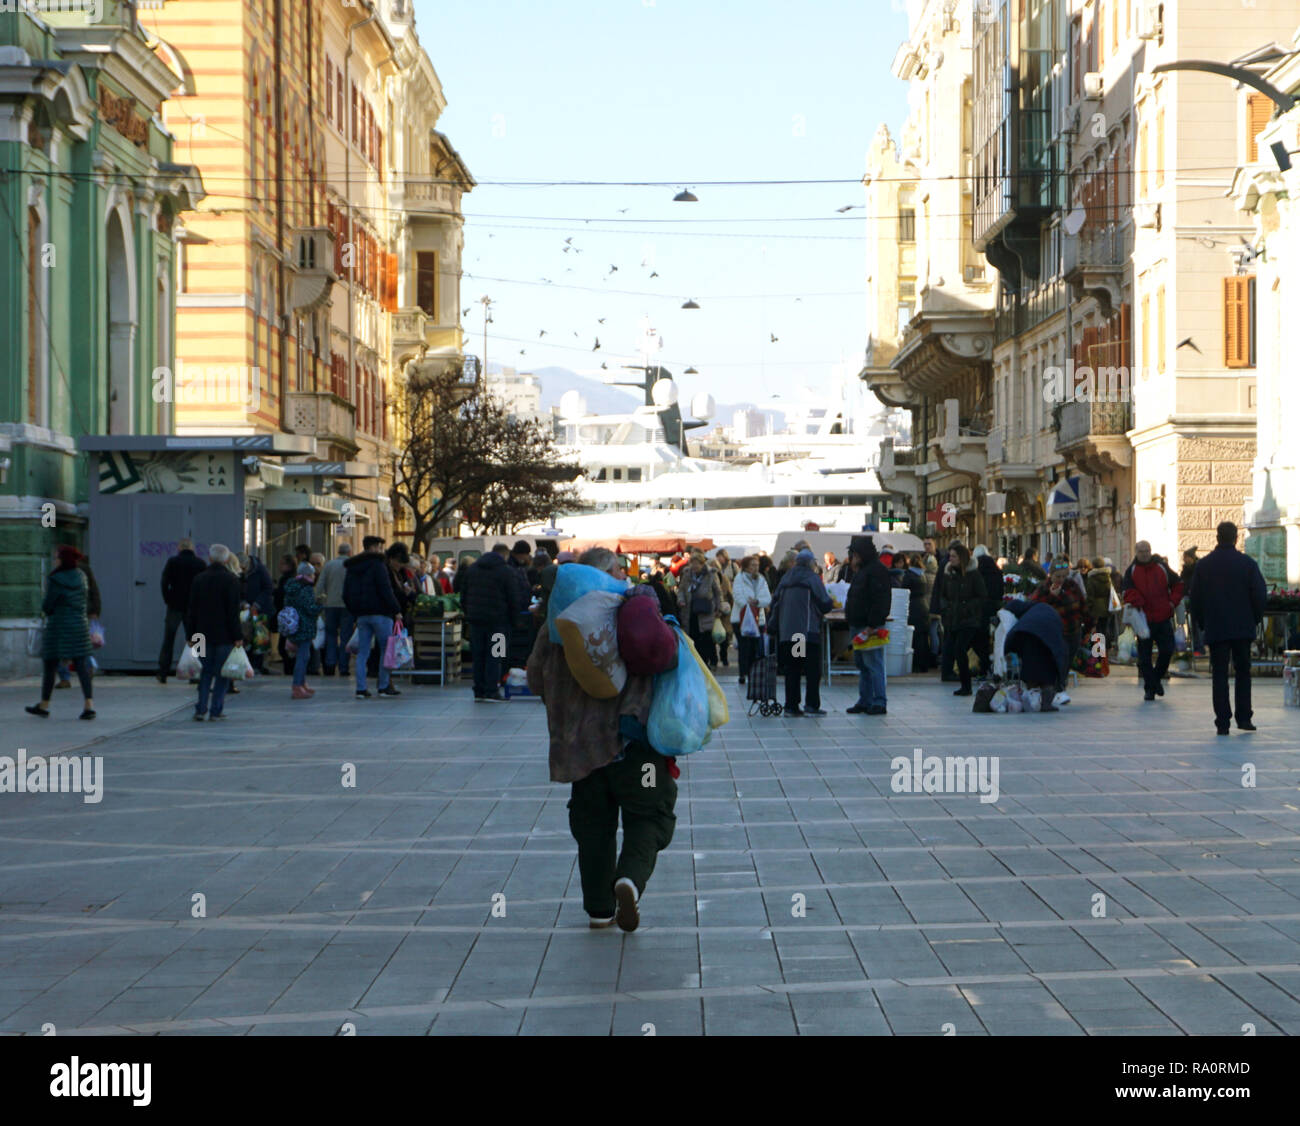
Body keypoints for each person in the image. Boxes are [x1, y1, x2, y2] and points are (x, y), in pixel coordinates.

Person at [527, 548, 672, 932]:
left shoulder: (556, 624)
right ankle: (629, 880)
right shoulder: (633, 609)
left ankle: (599, 910)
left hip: (581, 752)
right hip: (637, 750)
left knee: (593, 827)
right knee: (650, 815)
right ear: (609, 571)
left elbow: (534, 679)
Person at [1189, 522, 1267, 735]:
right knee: (1243, 672)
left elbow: (1195, 599)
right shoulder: (1247, 564)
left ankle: (1222, 722)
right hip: (1242, 627)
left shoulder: (1204, 565)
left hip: (1216, 627)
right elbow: (1260, 595)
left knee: (1220, 675)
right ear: (1235, 538)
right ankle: (1244, 718)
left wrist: (1203, 622)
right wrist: (1254, 619)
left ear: (1217, 537)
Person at [26, 545, 96, 720]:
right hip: (79, 626)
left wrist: (49, 609)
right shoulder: (81, 577)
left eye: (56, 557)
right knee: (81, 667)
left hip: (58, 627)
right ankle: (89, 706)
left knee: (50, 666)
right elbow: (84, 601)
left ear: (62, 560)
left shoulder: (56, 579)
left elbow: (48, 606)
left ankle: (44, 705)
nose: (54, 560)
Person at [183, 543, 244, 722]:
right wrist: (238, 636)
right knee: (222, 673)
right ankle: (216, 710)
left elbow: (191, 610)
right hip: (224, 635)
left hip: (201, 635)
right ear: (226, 559)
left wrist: (190, 635)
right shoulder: (232, 581)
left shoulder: (199, 579)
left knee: (205, 672)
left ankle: (200, 709)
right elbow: (233, 612)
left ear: (209, 558)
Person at [769, 549, 832, 717]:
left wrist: (773, 625)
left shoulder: (786, 578)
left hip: (788, 632)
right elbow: (825, 603)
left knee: (793, 669)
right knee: (812, 670)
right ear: (811, 563)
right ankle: (811, 704)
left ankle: (791, 705)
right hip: (807, 631)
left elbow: (775, 603)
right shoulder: (812, 578)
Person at [1122, 541, 1184, 702]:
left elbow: (1178, 584)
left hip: (1163, 617)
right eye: (1141, 551)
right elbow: (1126, 591)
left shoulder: (1161, 567)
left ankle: (1155, 681)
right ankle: (1150, 689)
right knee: (1144, 657)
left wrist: (1172, 602)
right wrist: (1137, 601)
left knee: (1167, 650)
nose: (1144, 554)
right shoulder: (1131, 571)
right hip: (1143, 620)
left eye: (1147, 550)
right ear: (1136, 552)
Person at [343, 535, 403, 699]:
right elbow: (386, 590)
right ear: (374, 547)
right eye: (379, 547)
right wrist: (396, 609)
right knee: (385, 649)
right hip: (382, 614)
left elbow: (346, 593)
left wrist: (355, 611)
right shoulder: (378, 565)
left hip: (362, 615)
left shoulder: (353, 567)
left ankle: (361, 688)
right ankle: (383, 686)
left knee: (362, 653)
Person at [463, 543, 524, 701]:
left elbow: (464, 594)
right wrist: (516, 620)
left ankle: (479, 690)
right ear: (504, 555)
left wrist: (469, 613)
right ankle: (492, 689)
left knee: (478, 655)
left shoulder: (472, 569)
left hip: (476, 621)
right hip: (499, 622)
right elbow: (513, 598)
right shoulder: (506, 571)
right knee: (496, 655)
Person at [844, 536, 891, 715]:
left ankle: (879, 701)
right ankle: (865, 700)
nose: (852, 556)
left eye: (854, 553)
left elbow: (880, 600)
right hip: (858, 624)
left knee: (873, 663)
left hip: (869, 626)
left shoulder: (876, 571)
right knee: (863, 664)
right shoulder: (863, 570)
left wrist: (873, 624)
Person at [1030, 562, 1089, 695]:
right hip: (1054, 632)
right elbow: (1035, 607)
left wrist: (1090, 624)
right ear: (1051, 575)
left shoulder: (1072, 586)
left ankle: (1060, 685)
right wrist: (1052, 596)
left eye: (1064, 576)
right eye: (1058, 576)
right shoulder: (1044, 588)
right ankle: (1057, 687)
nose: (1061, 579)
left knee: (1067, 660)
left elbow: (1083, 605)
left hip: (1073, 629)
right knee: (1058, 659)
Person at [157, 537, 206, 683]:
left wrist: (168, 599)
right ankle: (196, 672)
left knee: (169, 638)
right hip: (194, 606)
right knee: (196, 638)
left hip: (175, 605)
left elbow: (164, 582)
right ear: (192, 548)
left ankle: (163, 672)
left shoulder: (172, 562)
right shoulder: (200, 563)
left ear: (179, 548)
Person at [940, 543, 987, 697]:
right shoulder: (949, 574)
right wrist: (946, 608)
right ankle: (965, 684)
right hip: (953, 619)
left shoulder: (973, 575)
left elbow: (982, 596)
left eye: (953, 556)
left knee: (960, 649)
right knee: (958, 651)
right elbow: (944, 595)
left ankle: (966, 685)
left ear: (961, 558)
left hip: (969, 620)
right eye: (950, 556)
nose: (950, 559)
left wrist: (967, 607)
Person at [676, 550, 723, 669]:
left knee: (706, 638)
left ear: (702, 564)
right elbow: (681, 589)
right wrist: (680, 600)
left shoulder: (711, 574)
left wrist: (719, 607)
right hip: (690, 611)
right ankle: (697, 663)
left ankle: (708, 662)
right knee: (693, 636)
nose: (694, 566)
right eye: (692, 563)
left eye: (697, 563)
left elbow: (718, 592)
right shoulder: (687, 574)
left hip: (706, 610)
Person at [283, 561, 322, 700]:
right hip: (304, 626)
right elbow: (310, 608)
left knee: (303, 656)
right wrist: (320, 605)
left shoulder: (291, 586)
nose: (314, 576)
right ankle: (297, 686)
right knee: (303, 657)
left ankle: (301, 683)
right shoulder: (306, 588)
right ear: (308, 575)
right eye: (313, 574)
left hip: (293, 624)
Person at [730, 554, 772, 685]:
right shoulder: (739, 578)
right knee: (744, 647)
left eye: (757, 565)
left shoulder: (761, 579)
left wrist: (757, 602)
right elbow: (737, 595)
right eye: (753, 565)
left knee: (755, 648)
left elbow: (767, 597)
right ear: (746, 566)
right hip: (741, 619)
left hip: (758, 618)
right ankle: (743, 673)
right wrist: (747, 605)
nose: (755, 568)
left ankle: (753, 673)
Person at [317, 542, 354, 677]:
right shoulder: (352, 565)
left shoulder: (329, 565)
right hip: (347, 606)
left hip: (330, 605)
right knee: (345, 636)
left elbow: (320, 585)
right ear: (349, 552)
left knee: (331, 635)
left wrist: (319, 599)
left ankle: (330, 665)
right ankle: (344, 667)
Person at [972, 546, 1002, 677]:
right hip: (992, 607)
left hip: (978, 608)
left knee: (977, 637)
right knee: (990, 636)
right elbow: (1000, 591)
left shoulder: (975, 570)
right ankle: (990, 665)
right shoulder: (996, 570)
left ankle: (983, 665)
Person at [903, 553, 931, 673]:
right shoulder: (923, 574)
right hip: (924, 606)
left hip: (913, 607)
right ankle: (925, 664)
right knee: (924, 637)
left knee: (915, 637)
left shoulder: (908, 575)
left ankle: (916, 664)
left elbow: (904, 590)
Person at [1084, 556, 1117, 650]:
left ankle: (1098, 652)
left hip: (1095, 609)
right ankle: (1105, 651)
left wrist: (1088, 607)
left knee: (1097, 630)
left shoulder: (1091, 578)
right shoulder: (1108, 577)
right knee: (1104, 629)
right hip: (1107, 607)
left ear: (1093, 566)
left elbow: (1090, 595)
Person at [711, 556, 735, 668]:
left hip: (724, 611)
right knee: (712, 636)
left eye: (715, 566)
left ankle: (724, 657)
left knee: (724, 635)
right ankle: (714, 658)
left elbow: (730, 594)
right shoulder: (707, 578)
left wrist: (730, 607)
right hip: (711, 611)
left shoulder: (724, 578)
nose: (713, 569)